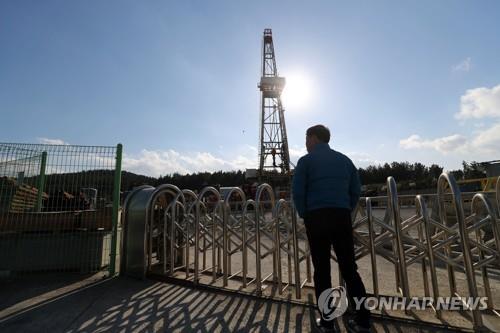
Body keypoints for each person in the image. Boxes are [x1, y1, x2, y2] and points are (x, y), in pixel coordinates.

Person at [292, 124, 371, 333]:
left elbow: (298, 192)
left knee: (322, 270)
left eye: (306, 138)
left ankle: (327, 321)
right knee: (349, 268)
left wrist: (304, 214)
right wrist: (344, 208)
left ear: (314, 138)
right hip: (341, 216)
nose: (305, 143)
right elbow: (356, 190)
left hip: (316, 218)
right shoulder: (345, 160)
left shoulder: (305, 162)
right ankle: (363, 320)